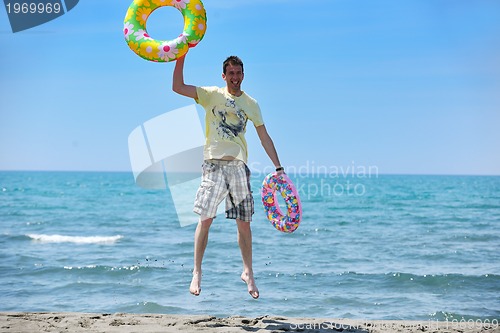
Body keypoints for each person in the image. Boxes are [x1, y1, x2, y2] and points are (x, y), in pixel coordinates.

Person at [172, 52, 284, 299]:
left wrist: (278, 167)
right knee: (206, 219)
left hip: (238, 167)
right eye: (231, 73)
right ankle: (197, 272)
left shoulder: (251, 104)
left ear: (243, 75)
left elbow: (264, 137)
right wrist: (181, 55)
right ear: (224, 76)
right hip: (213, 165)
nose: (235, 77)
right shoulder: (211, 94)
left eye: (238, 73)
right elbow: (177, 87)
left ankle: (248, 272)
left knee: (244, 224)